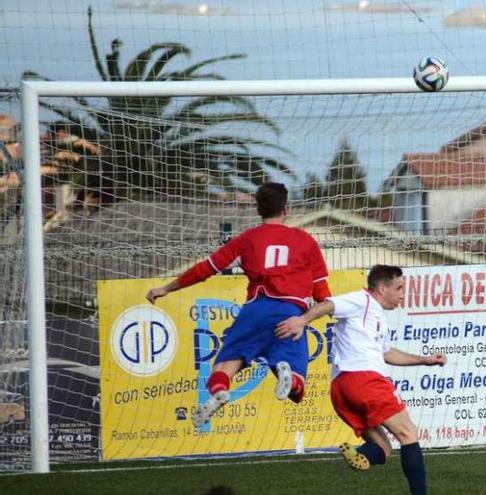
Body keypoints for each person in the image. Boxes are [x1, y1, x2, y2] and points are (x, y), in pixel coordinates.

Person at [146, 182, 330, 427]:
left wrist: (165, 288)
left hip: (255, 310)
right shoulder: (305, 241)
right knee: (297, 391)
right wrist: (320, 310)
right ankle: (286, 372)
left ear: (258, 209)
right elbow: (322, 293)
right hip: (290, 313)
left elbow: (205, 269)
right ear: (286, 209)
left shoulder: (247, 239)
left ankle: (220, 390)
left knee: (223, 366)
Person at [275, 264, 446, 495]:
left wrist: (424, 360)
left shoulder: (378, 317)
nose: (402, 294)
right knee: (408, 434)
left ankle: (361, 454)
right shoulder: (361, 300)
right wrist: (302, 321)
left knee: (383, 449)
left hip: (341, 390)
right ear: (383, 289)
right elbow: (329, 305)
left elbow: (386, 354)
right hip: (365, 381)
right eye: (399, 288)